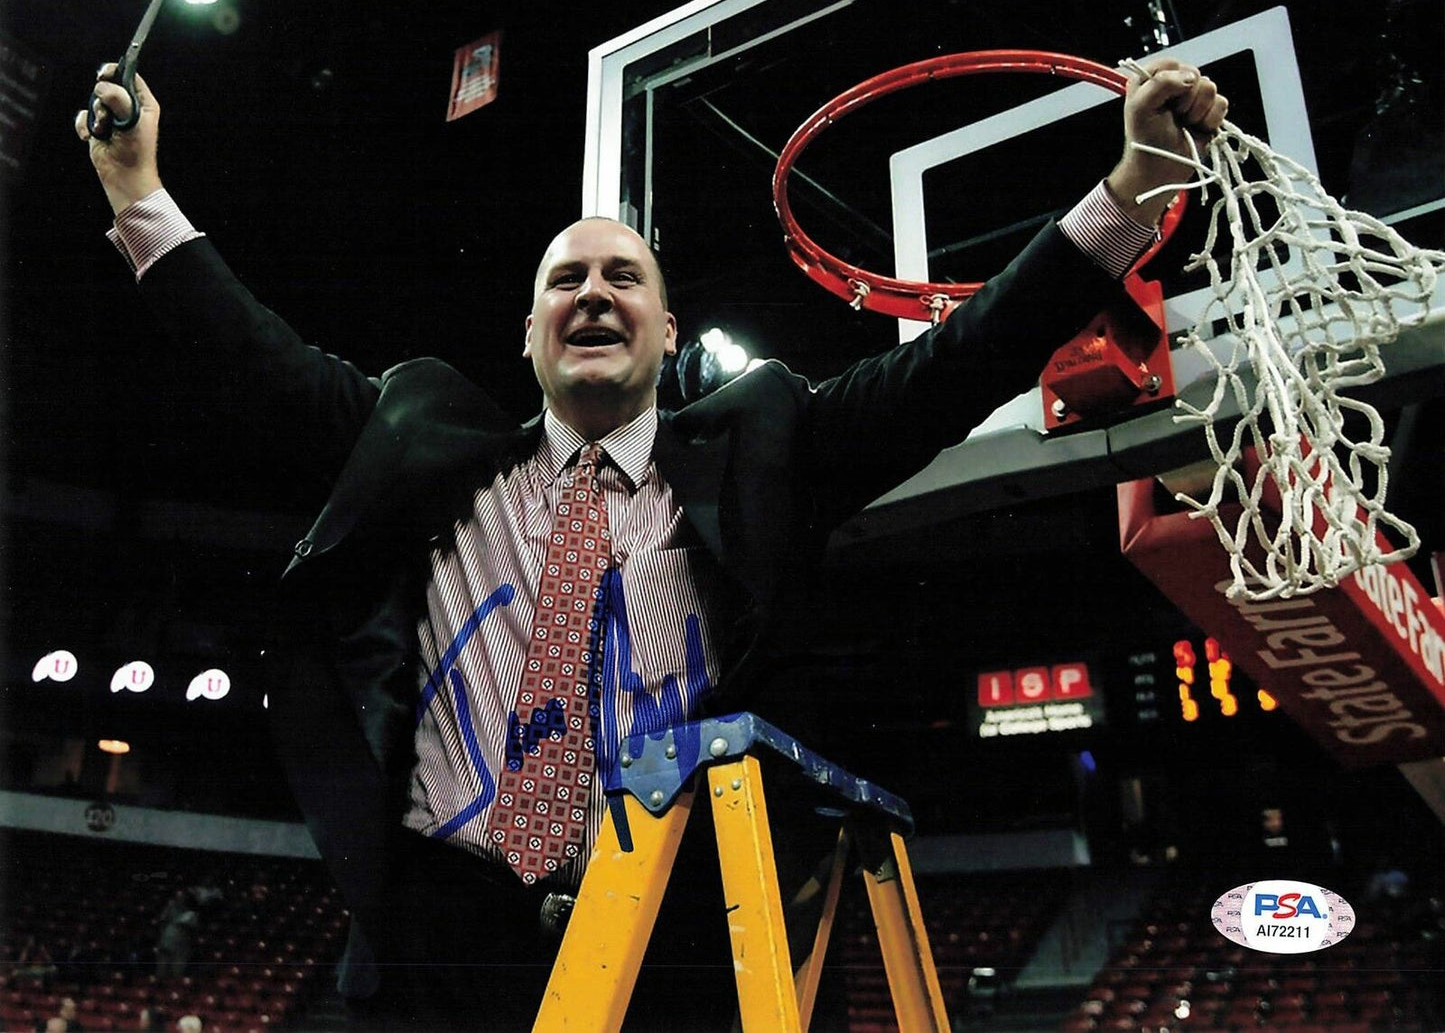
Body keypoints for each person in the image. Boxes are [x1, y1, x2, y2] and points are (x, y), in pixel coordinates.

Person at [78, 59, 1225, 1028]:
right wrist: (139, 194)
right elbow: (255, 359)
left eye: (622, 276)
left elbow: (961, 359)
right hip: (433, 975)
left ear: (666, 330)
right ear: (527, 333)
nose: (591, 293)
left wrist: (1130, 190)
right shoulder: (416, 441)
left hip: (689, 975)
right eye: (563, 280)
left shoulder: (770, 441)